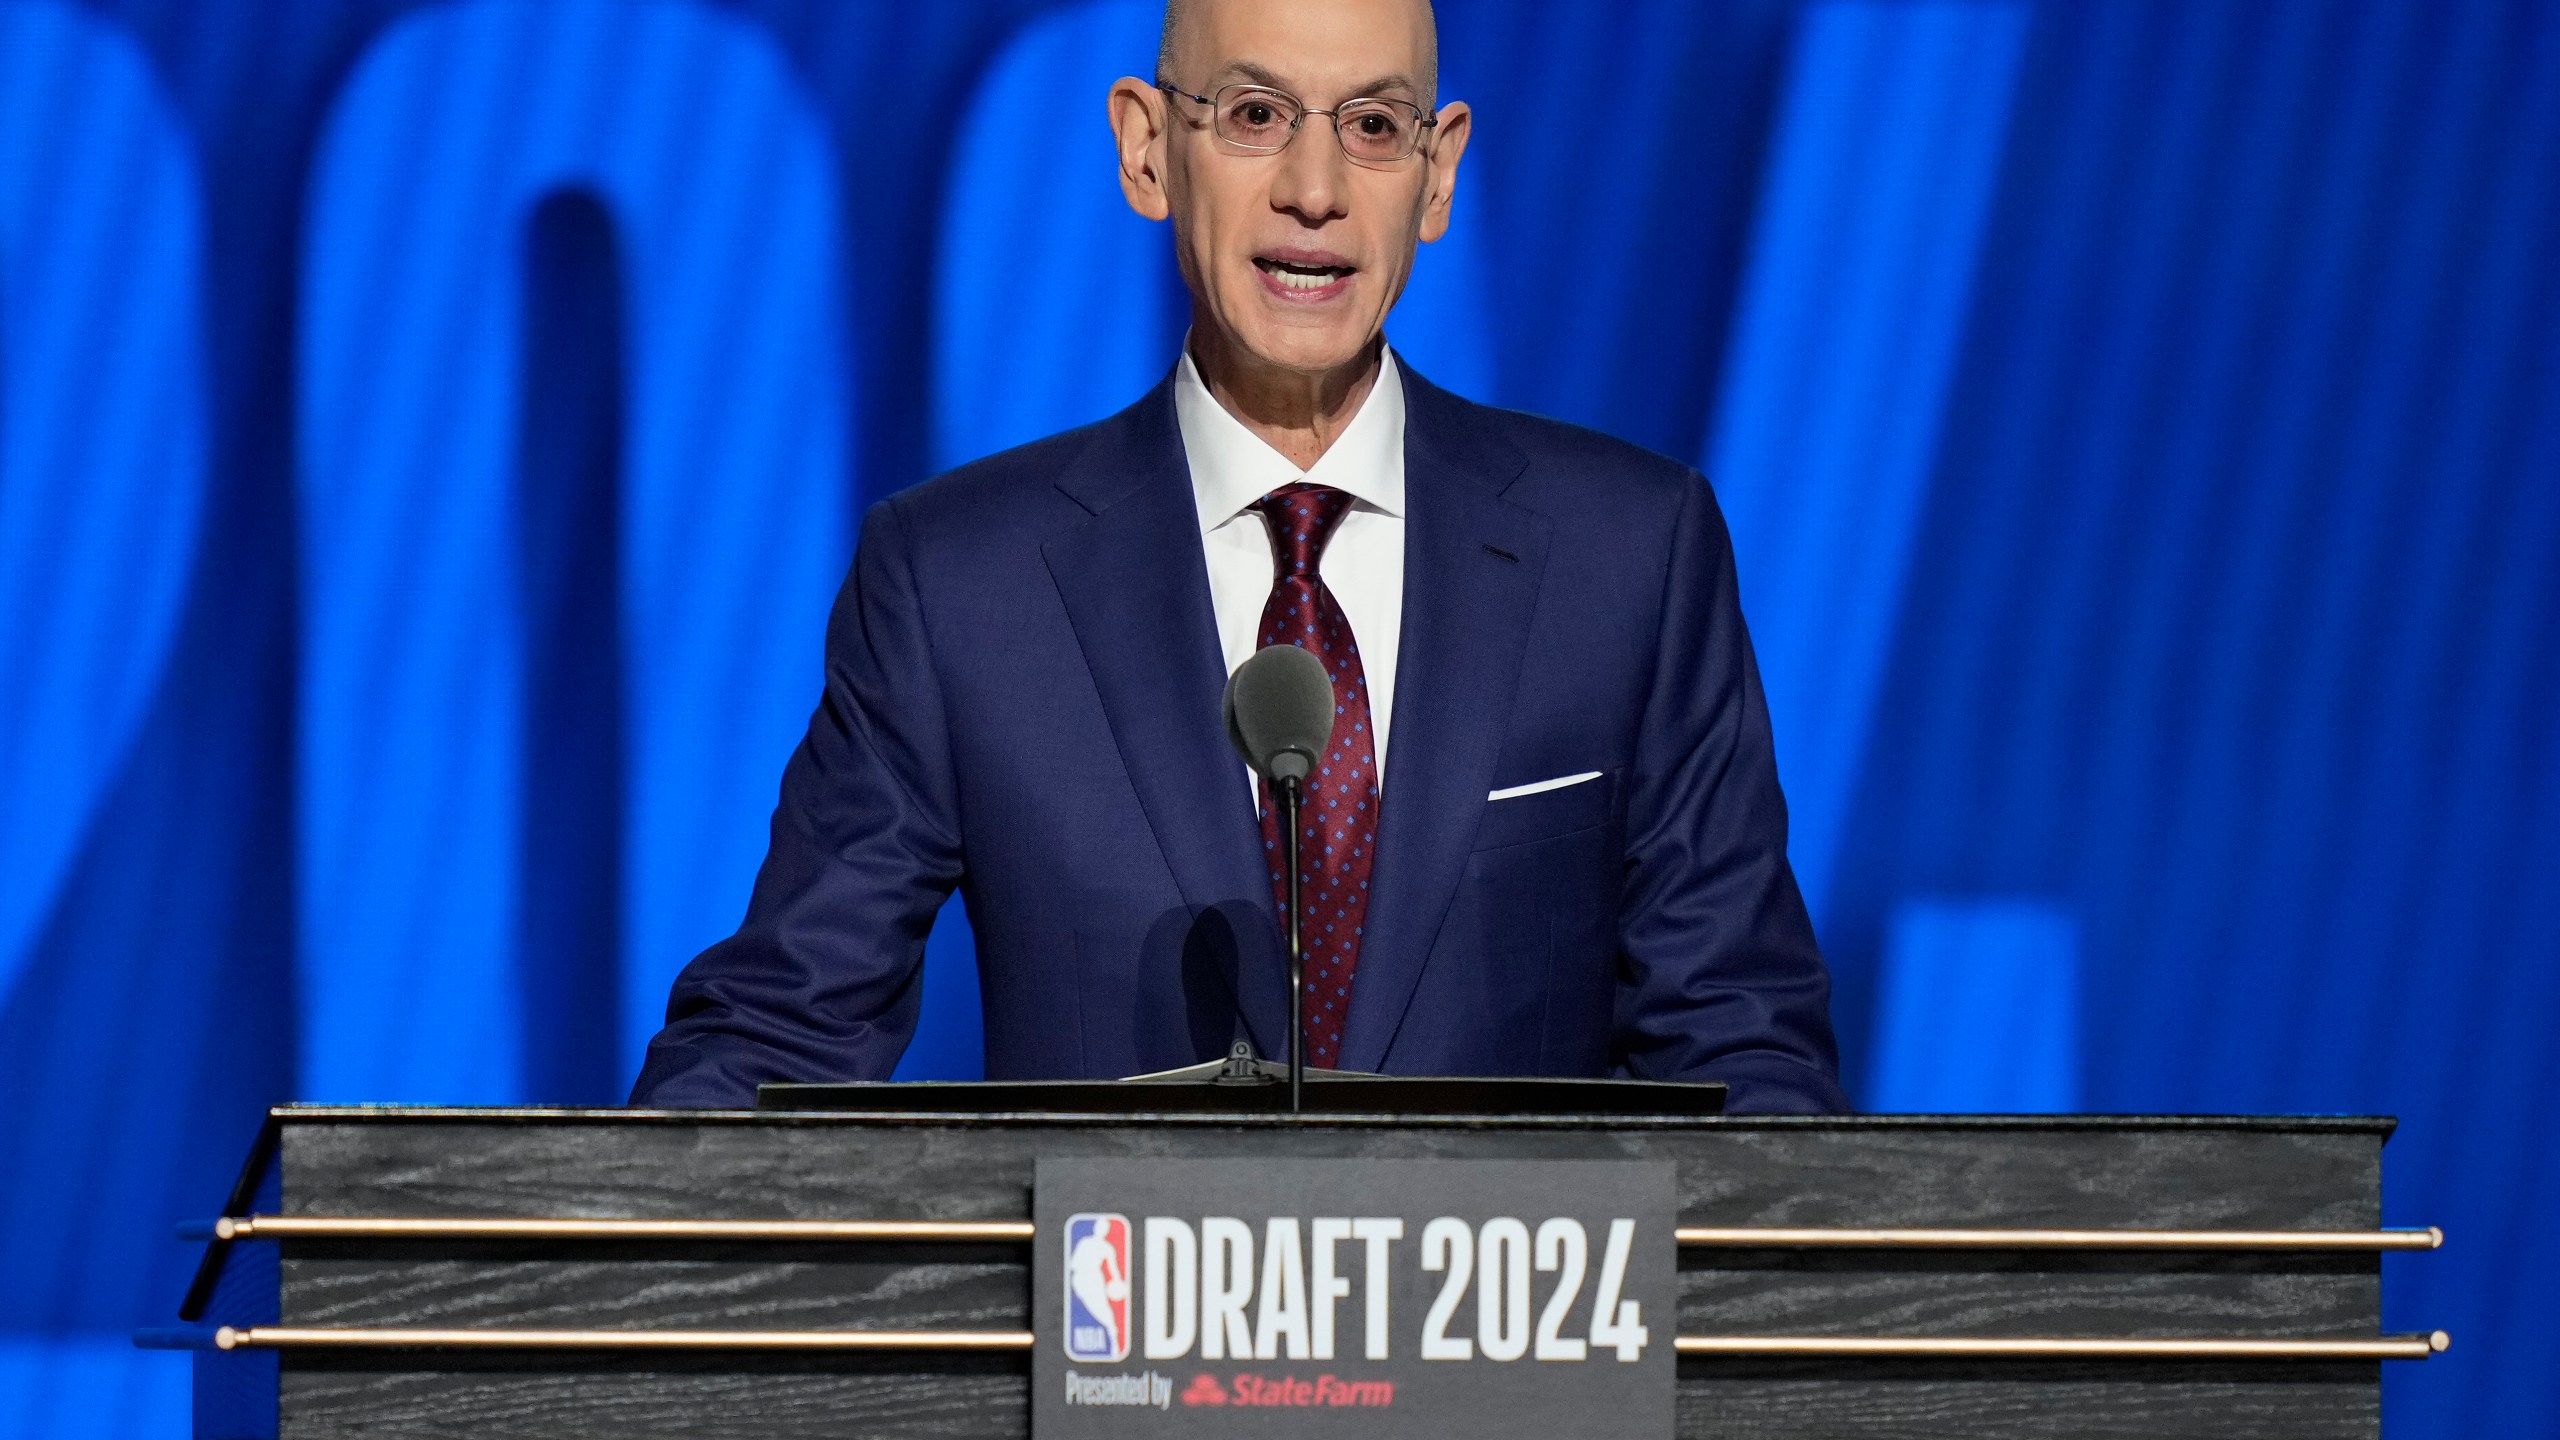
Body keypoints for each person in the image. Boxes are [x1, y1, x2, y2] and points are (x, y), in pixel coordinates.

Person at [630, 0, 1846, 1113]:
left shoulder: (1628, 555)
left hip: (1505, 1347)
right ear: (1147, 149)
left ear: (1437, 173)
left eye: (1373, 126)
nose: (1313, 191)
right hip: (1125, 1348)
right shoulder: (961, 585)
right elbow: (778, 1034)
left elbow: (1744, 1051)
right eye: (1256, 116)